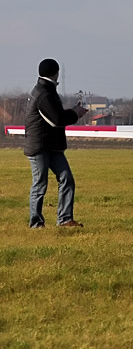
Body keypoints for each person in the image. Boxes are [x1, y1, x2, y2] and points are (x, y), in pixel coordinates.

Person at [25, 58, 87, 228]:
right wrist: (76, 113)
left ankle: (65, 219)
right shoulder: (44, 93)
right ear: (56, 72)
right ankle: (36, 223)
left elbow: (56, 115)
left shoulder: (46, 90)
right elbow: (56, 119)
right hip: (39, 146)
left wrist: (73, 112)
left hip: (51, 146)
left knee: (67, 178)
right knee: (40, 184)